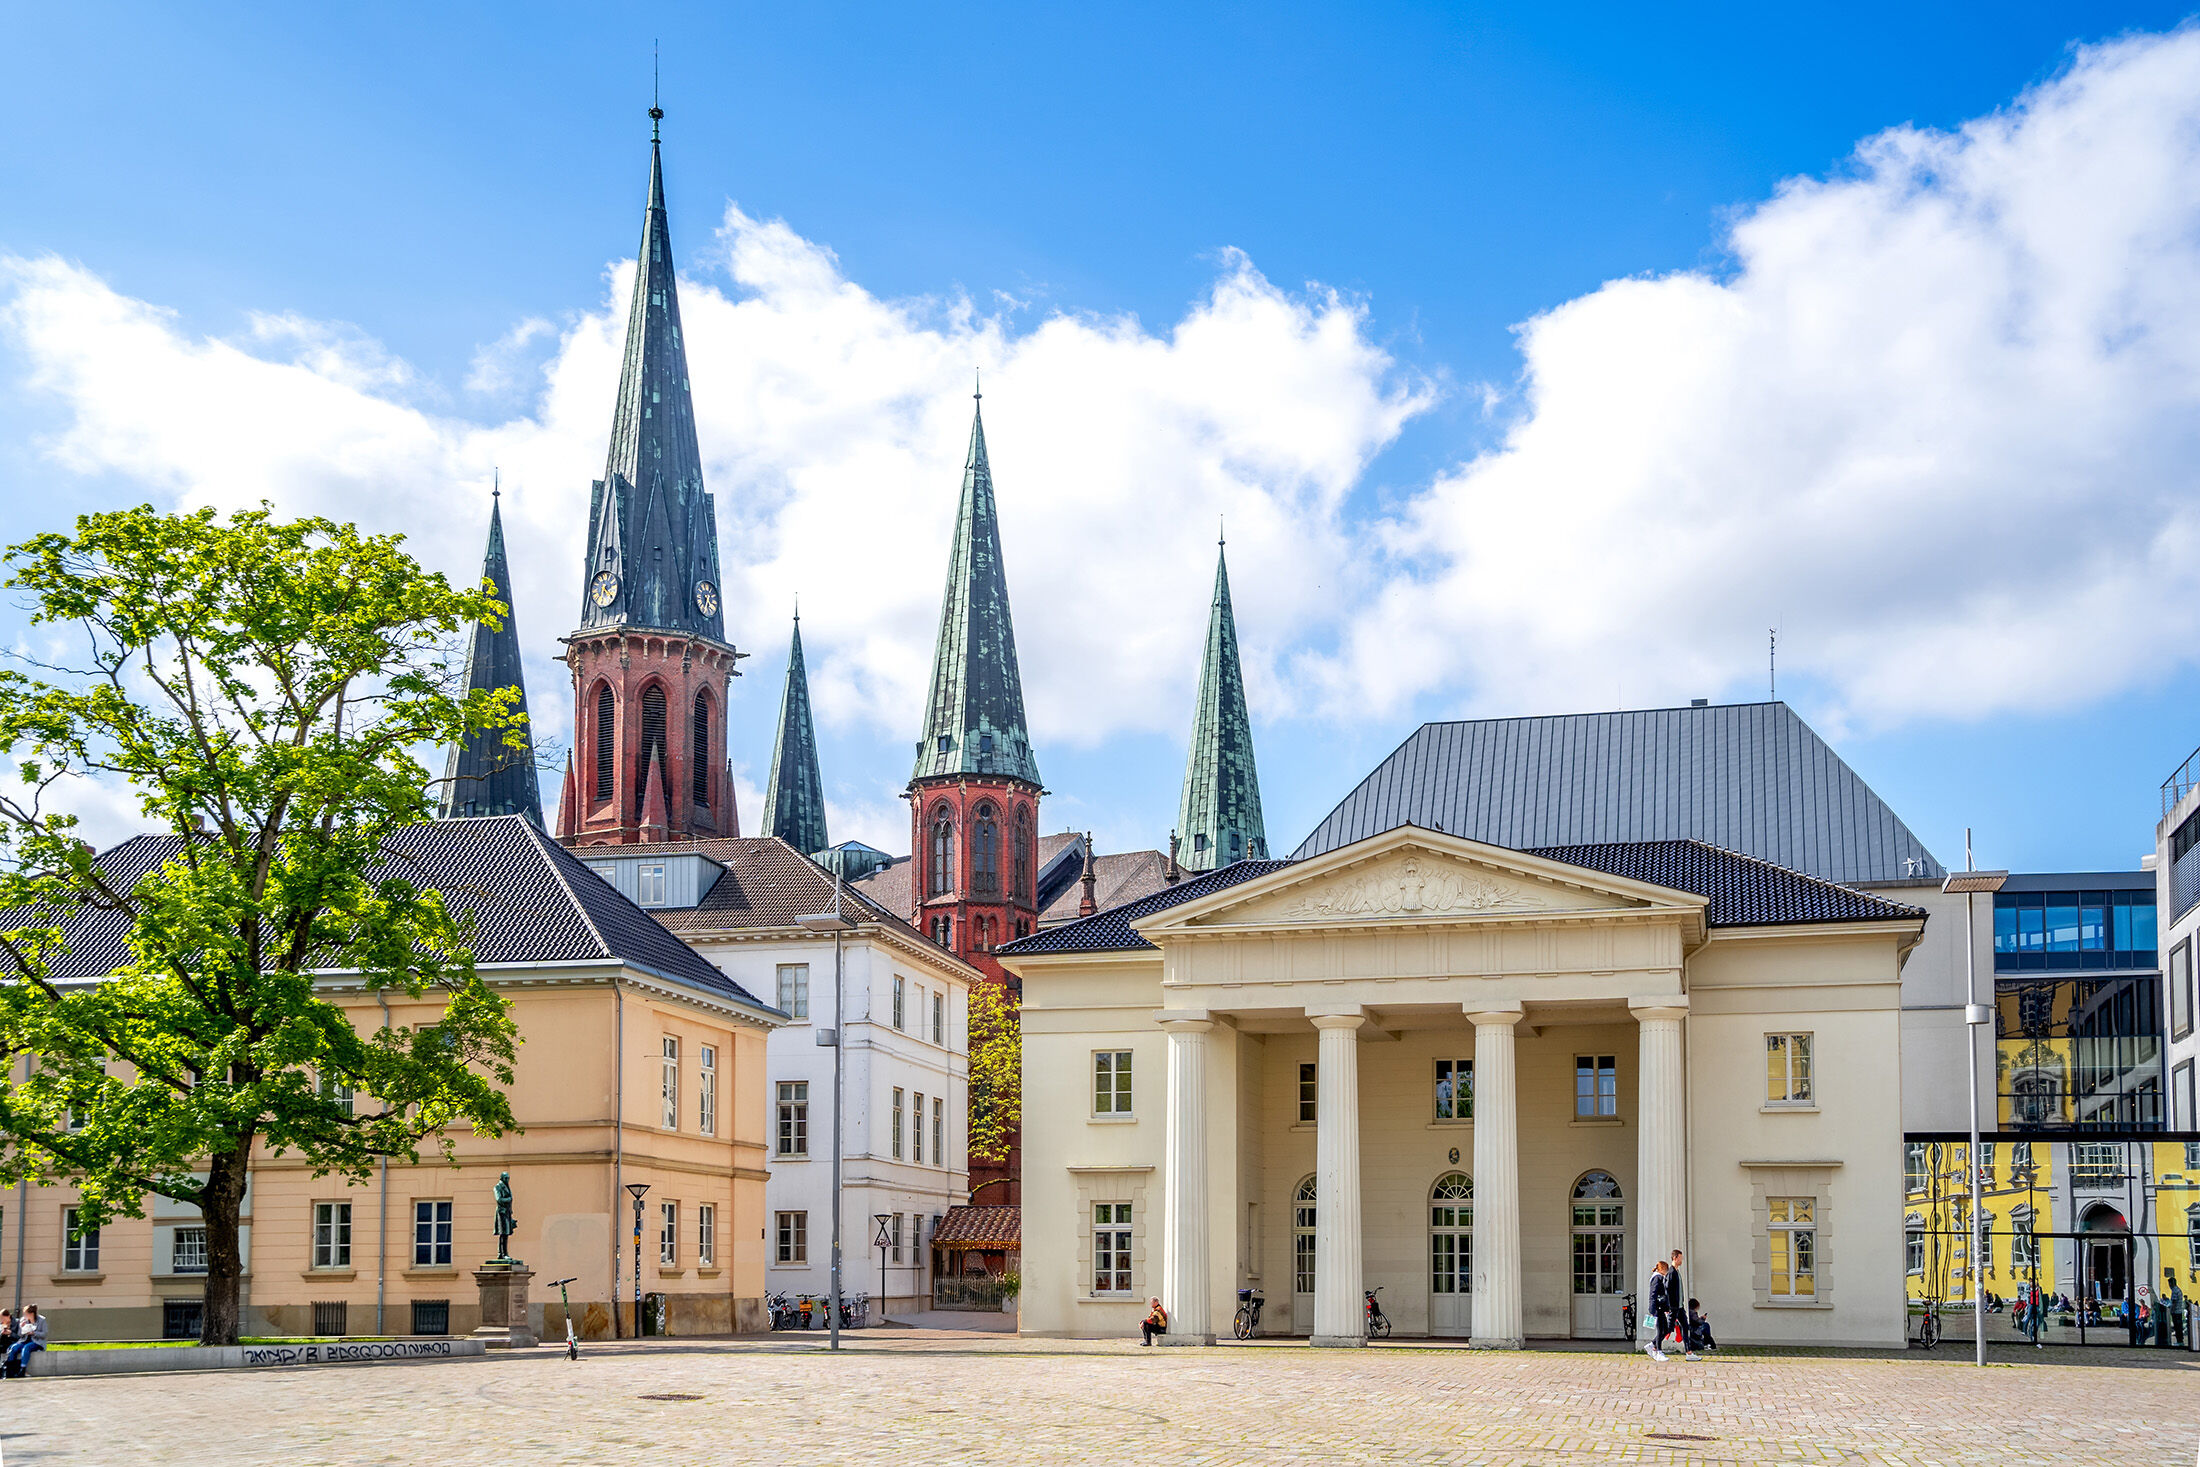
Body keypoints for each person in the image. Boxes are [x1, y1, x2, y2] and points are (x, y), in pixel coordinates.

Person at [1663, 1251, 1693, 1359]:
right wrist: (1669, 1306)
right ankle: (1654, 1345)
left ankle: (1689, 1352)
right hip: (1674, 1307)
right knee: (1668, 1329)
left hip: (1680, 1306)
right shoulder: (1671, 1272)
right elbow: (1668, 1290)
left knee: (1685, 1327)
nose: (1682, 1260)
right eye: (1680, 1258)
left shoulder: (1676, 1271)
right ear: (1675, 1258)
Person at [4, 1306, 46, 1378]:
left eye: (26, 1314)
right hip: (24, 1341)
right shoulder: (23, 1320)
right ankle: (10, 1370)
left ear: (32, 1314)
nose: (24, 1316)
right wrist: (21, 1327)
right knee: (14, 1348)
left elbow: (44, 1334)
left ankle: (22, 1369)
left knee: (26, 1348)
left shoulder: (41, 1320)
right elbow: (19, 1335)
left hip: (36, 1342)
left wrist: (33, 1333)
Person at [1643, 1259, 1671, 1362]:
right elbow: (1653, 1294)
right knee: (1661, 1330)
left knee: (1665, 1329)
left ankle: (1652, 1345)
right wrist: (1652, 1308)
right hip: (1657, 1308)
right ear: (1663, 1269)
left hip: (1660, 1307)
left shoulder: (1659, 1278)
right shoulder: (1657, 1278)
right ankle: (1658, 1351)